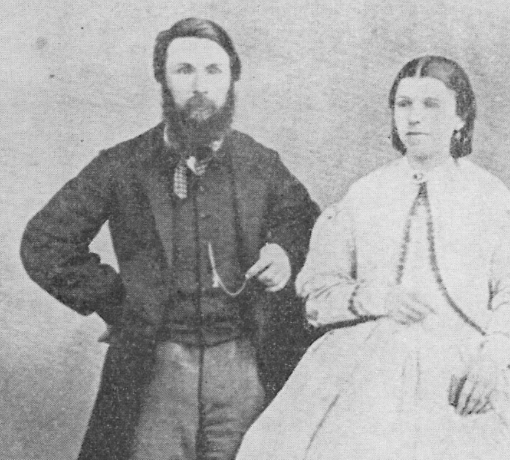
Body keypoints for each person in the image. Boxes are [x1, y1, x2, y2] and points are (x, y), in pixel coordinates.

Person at [236, 55, 510, 460]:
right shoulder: (365, 195)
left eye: (431, 104)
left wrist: (493, 358)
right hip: (367, 370)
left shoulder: (490, 199)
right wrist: (374, 297)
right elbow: (318, 295)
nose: (414, 117)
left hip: (469, 366)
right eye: (404, 104)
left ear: (460, 117)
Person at [20, 17, 319, 460]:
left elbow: (305, 221)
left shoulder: (260, 162)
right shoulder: (122, 165)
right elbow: (45, 241)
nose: (200, 85)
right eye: (184, 70)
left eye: (213, 70)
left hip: (243, 365)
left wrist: (284, 252)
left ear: (232, 78)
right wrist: (121, 301)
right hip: (156, 367)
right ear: (162, 78)